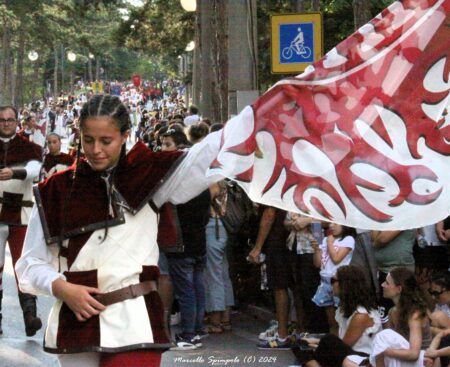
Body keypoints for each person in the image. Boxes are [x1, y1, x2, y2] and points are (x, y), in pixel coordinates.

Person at [15, 94, 219, 366]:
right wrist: (62, 288)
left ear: (125, 135)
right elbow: (29, 264)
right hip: (77, 319)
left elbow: (210, 155)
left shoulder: (149, 175)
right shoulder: (56, 190)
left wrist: (273, 108)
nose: (96, 149)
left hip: (136, 318)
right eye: (89, 140)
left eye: (106, 141)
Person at [0, 105, 43, 336]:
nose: (6, 123)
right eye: (2, 120)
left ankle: (30, 317)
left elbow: (35, 169)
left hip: (21, 217)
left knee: (23, 266)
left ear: (17, 121)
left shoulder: (30, 147)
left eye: (10, 119)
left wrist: (14, 173)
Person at [302, 265, 382, 367]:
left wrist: (320, 345)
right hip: (346, 353)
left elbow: (343, 346)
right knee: (300, 349)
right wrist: (315, 342)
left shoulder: (361, 315)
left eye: (333, 281)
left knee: (327, 341)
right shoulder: (345, 309)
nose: (331, 285)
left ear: (345, 284)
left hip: (361, 358)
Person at [370, 267, 432, 367]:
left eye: (387, 283)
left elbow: (414, 354)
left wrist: (382, 351)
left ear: (399, 289)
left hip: (422, 360)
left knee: (383, 336)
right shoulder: (392, 312)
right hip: (402, 358)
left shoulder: (415, 314)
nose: (382, 285)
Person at [312, 223, 356, 334]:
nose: (332, 226)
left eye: (336, 223)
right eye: (330, 223)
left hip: (339, 282)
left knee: (341, 317)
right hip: (325, 281)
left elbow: (337, 259)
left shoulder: (348, 239)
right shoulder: (326, 239)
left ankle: (342, 345)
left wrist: (330, 243)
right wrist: (316, 249)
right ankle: (333, 344)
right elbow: (317, 264)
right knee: (331, 320)